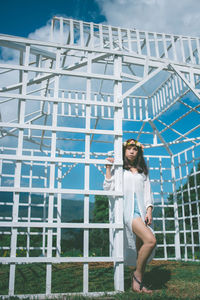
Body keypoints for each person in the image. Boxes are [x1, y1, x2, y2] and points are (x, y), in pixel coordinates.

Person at [103, 138, 156, 294]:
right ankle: (137, 275)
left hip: (141, 210)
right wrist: (108, 168)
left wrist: (149, 210)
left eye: (135, 149)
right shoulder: (119, 169)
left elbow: (148, 192)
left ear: (138, 152)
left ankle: (138, 284)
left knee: (142, 247)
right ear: (124, 151)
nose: (132, 151)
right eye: (129, 149)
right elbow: (108, 188)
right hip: (127, 211)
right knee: (151, 240)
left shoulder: (142, 172)